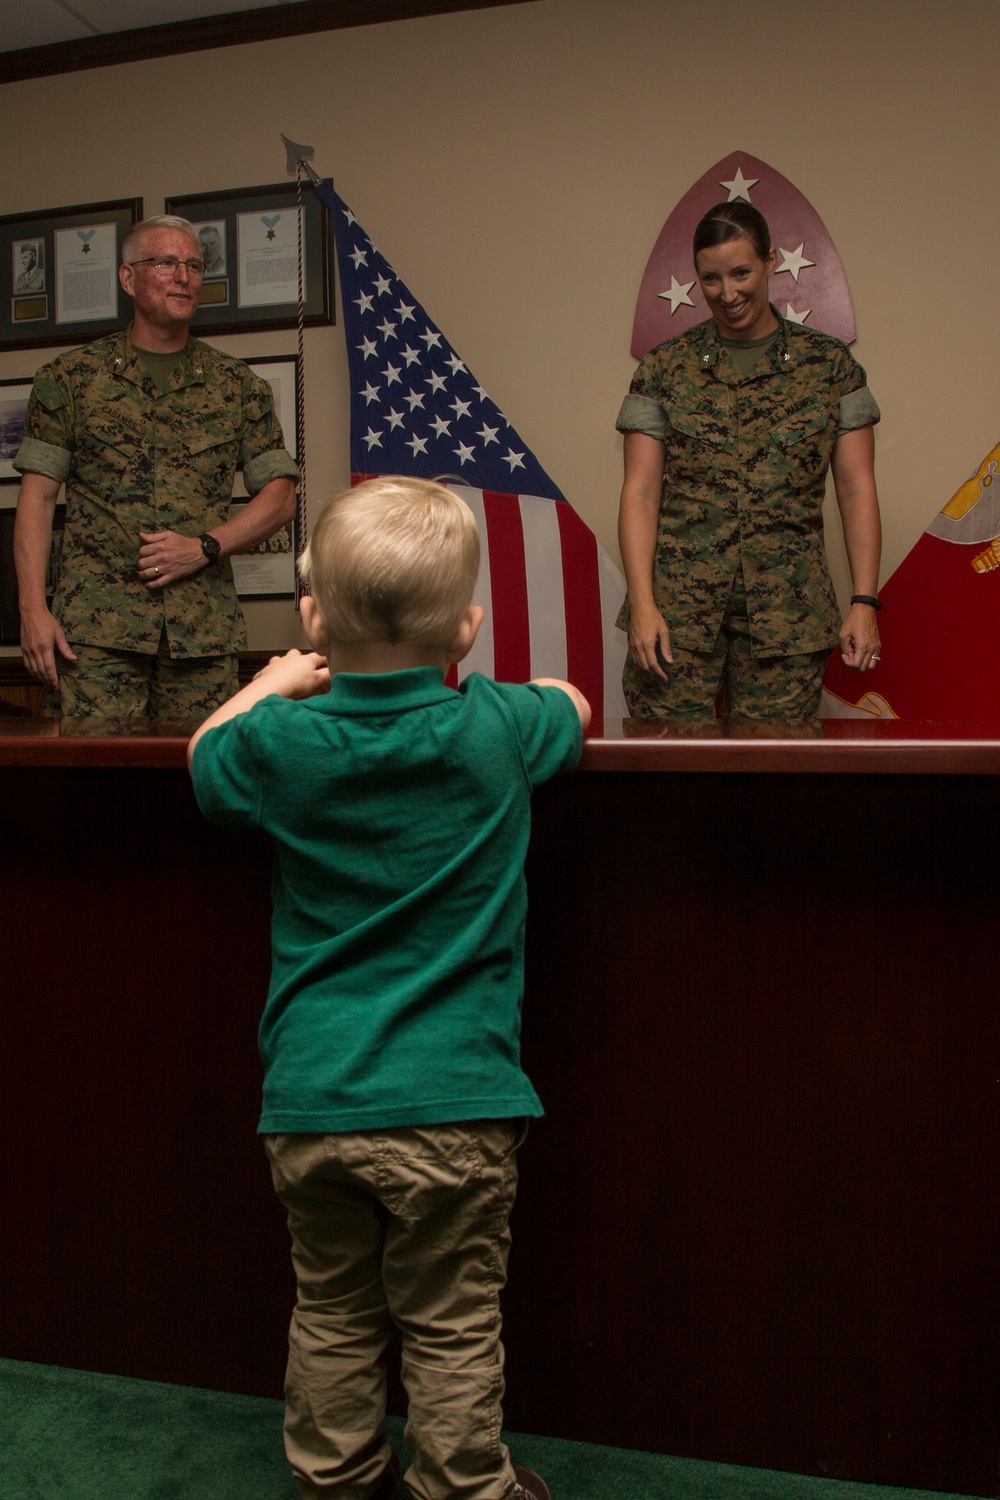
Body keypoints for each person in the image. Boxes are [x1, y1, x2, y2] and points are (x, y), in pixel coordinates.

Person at [188, 476, 590, 1500]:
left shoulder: (279, 743)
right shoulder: (497, 726)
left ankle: (336, 1477)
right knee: (450, 1318)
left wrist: (274, 679)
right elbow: (575, 706)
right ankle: (462, 1486)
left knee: (330, 1307)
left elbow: (206, 754)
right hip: (458, 1101)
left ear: (313, 617)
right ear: (465, 627)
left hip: (315, 1099)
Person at [12, 214, 297, 718]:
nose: (183, 276)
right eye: (166, 262)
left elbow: (281, 497)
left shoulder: (237, 386)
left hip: (201, 637)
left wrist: (204, 547)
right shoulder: (70, 379)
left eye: (193, 265)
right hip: (95, 640)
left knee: (200, 783)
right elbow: (37, 497)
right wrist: (33, 609)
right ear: (128, 278)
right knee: (91, 790)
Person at [616, 200, 883, 720]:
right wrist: (644, 603)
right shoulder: (664, 369)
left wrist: (864, 602)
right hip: (677, 617)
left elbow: (857, 490)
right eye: (710, 279)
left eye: (741, 273)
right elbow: (640, 492)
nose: (728, 293)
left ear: (771, 262)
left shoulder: (832, 368)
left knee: (773, 785)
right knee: (666, 781)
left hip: (788, 614)